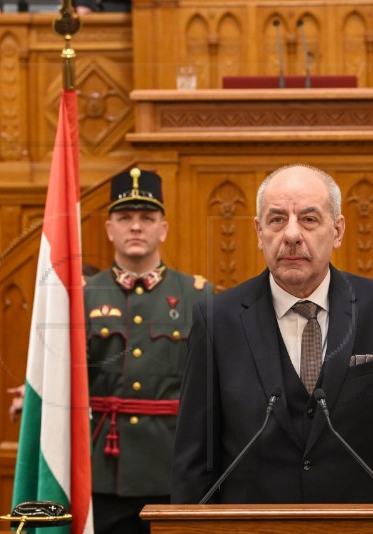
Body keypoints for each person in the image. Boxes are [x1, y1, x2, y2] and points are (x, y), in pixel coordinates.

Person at [171, 163, 373, 505]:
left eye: (309, 219)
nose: (291, 234)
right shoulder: (216, 320)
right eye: (276, 219)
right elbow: (194, 462)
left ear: (338, 229)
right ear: (259, 232)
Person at [83, 168, 212, 533]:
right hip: (106, 471)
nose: (135, 227)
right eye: (124, 218)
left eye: (147, 218)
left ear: (163, 229)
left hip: (173, 468)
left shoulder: (198, 295)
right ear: (110, 229)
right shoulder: (81, 296)